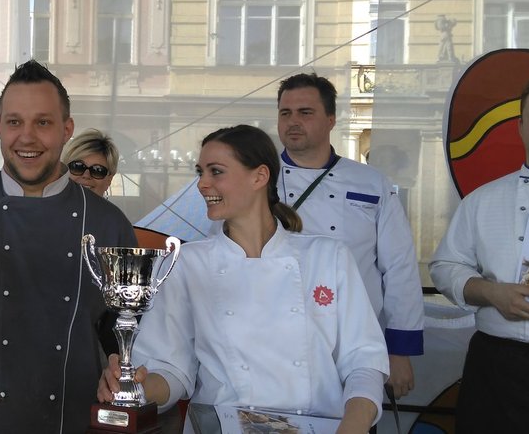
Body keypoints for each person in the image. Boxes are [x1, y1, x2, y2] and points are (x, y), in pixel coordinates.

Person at [97, 125, 390, 433]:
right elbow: (171, 369)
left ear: (259, 177)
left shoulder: (328, 257)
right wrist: (134, 386)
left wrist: (353, 427)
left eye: (216, 172)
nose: (202, 184)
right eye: (201, 172)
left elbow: (364, 361)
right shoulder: (185, 263)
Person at [0, 60, 136, 433]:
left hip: (71, 414)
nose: (27, 137)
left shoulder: (108, 223)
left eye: (43, 122)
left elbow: (124, 331)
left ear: (67, 129)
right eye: (14, 122)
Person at [429, 71, 529, 433]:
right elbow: (445, 266)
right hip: (498, 368)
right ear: (520, 127)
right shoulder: (483, 200)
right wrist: (490, 292)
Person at [276, 73, 424, 399]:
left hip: (353, 343)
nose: (293, 122)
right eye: (285, 113)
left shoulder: (371, 183)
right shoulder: (256, 181)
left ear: (331, 119)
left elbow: (399, 268)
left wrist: (399, 351)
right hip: (275, 342)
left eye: (305, 112)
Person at [60, 128, 118, 197]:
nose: (86, 175)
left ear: (109, 180)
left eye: (97, 170)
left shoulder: (112, 208)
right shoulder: (46, 207)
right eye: (78, 167)